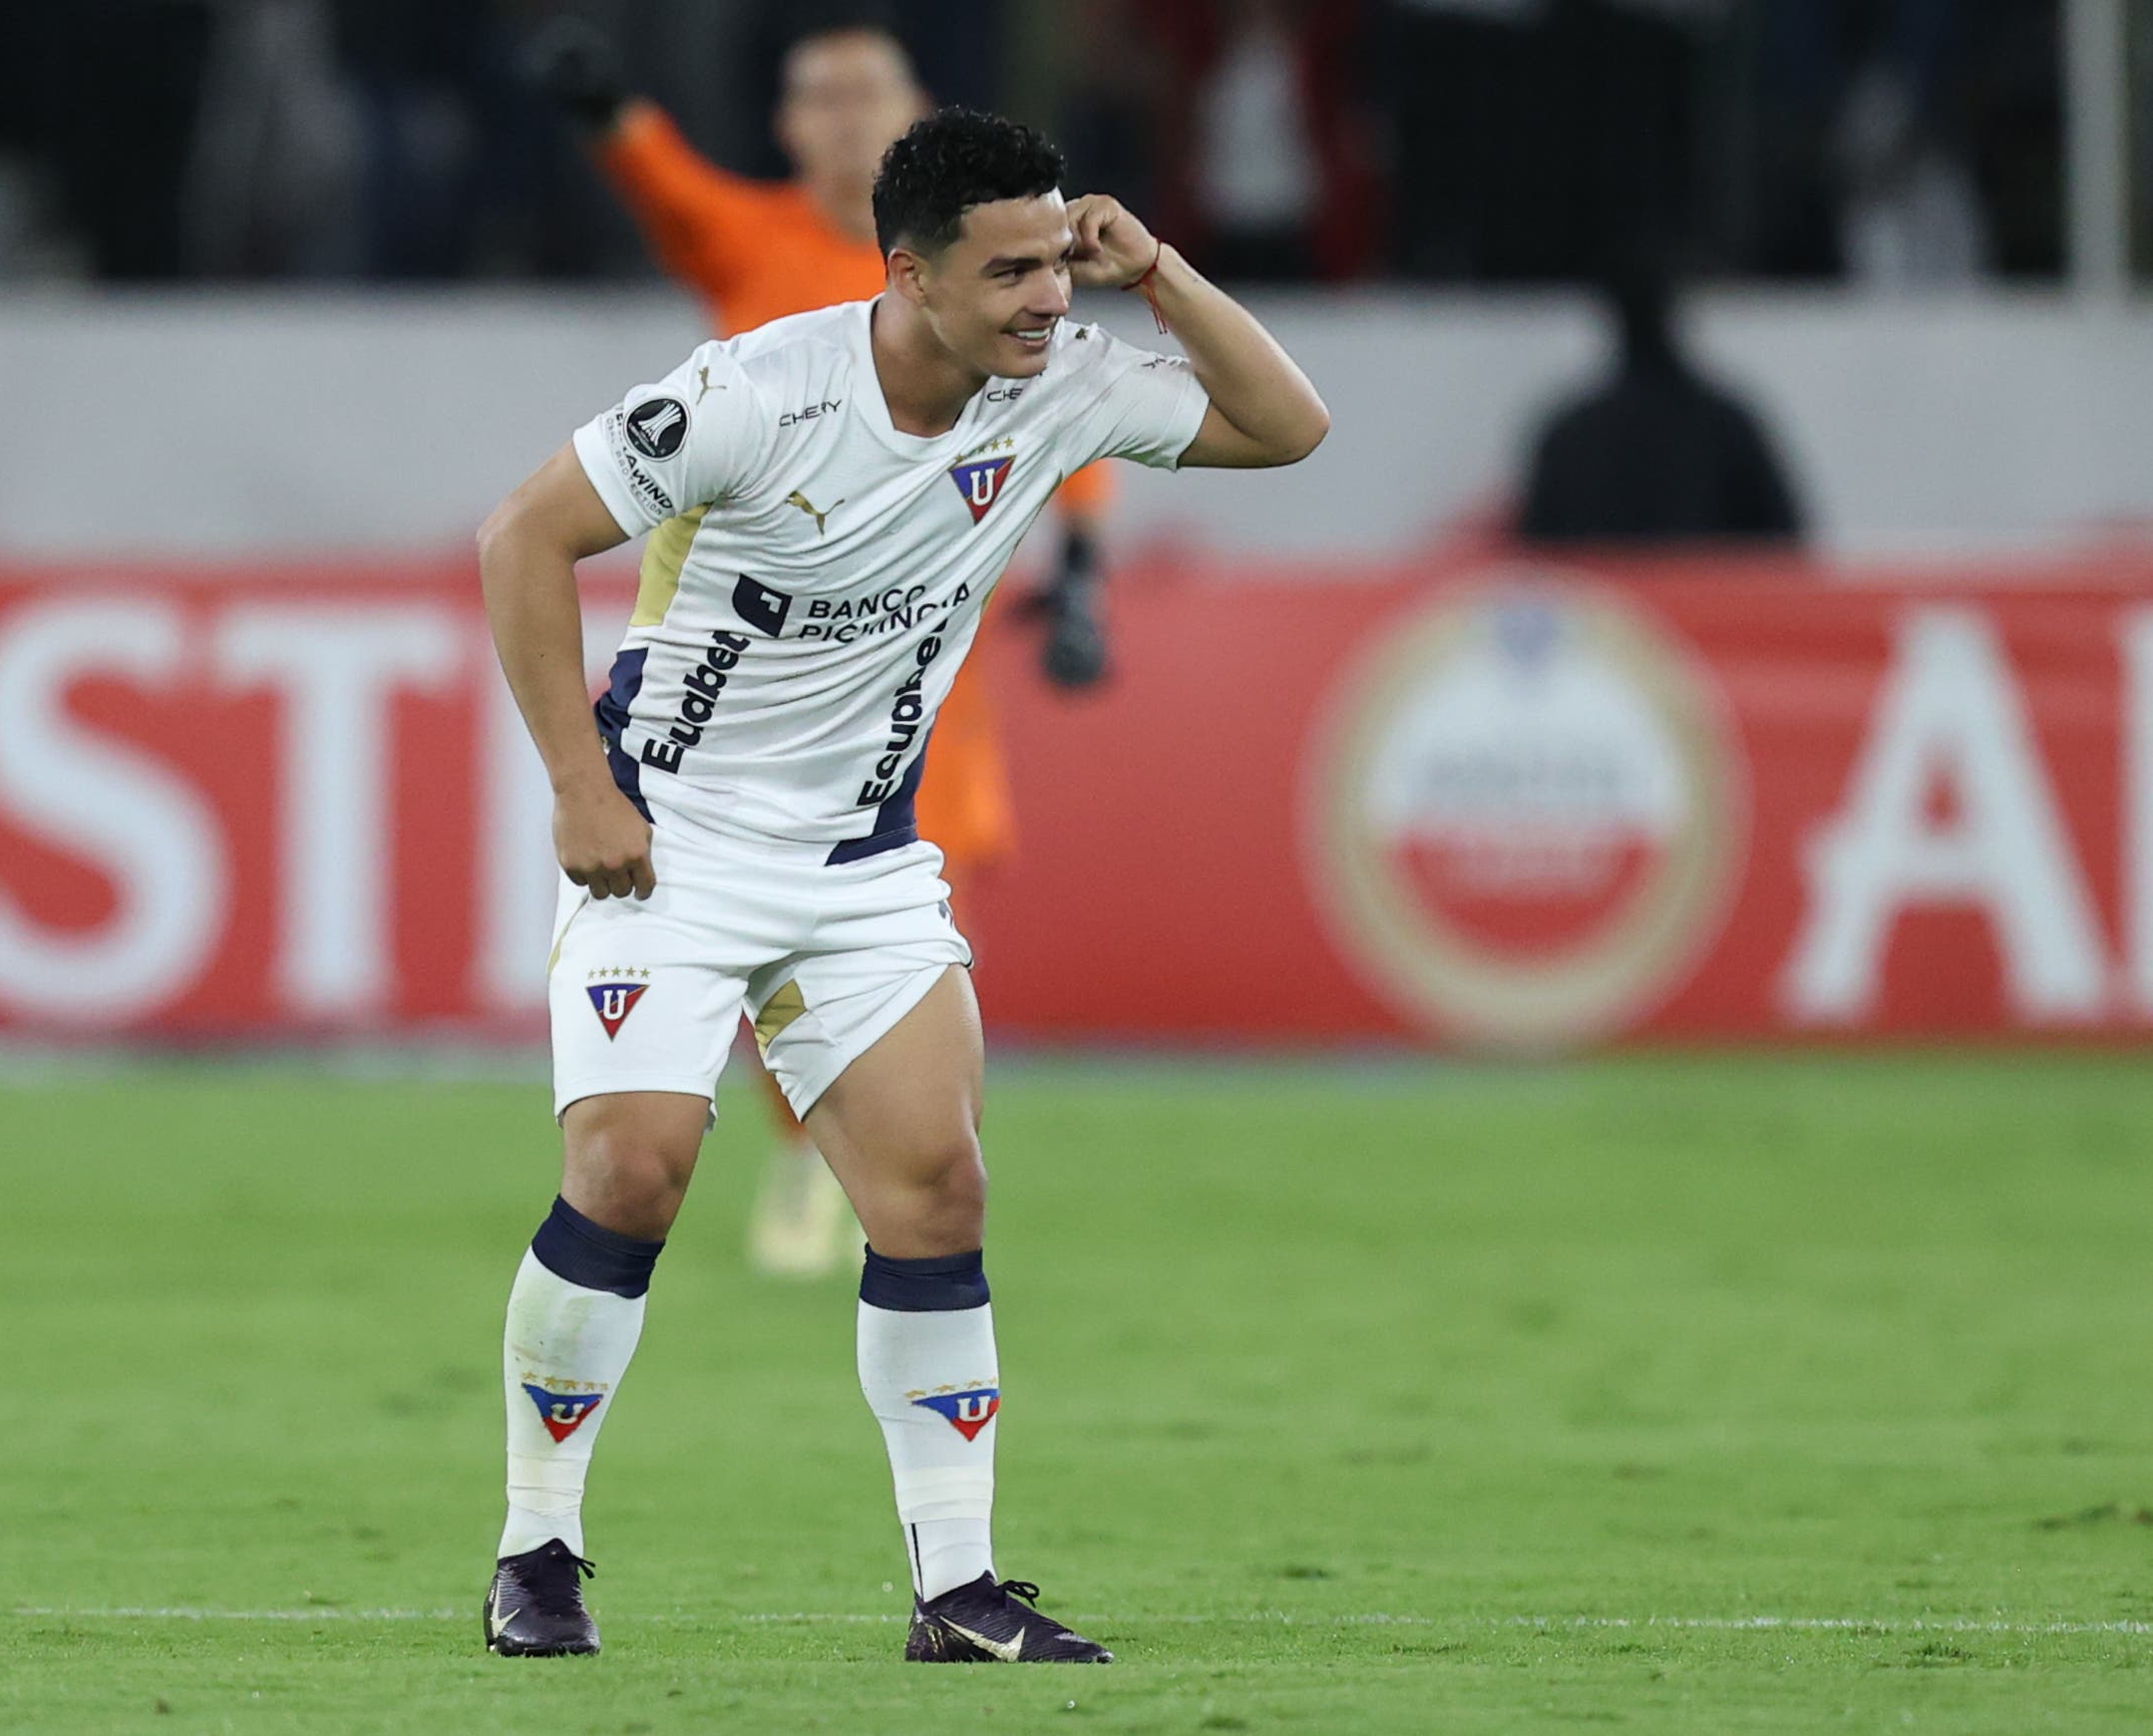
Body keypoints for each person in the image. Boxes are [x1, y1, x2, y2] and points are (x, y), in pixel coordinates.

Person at [473, 106, 1327, 1662]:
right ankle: (537, 1549)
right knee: (633, 1172)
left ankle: (954, 1589)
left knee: (937, 1189)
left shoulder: (1057, 387)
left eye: (1055, 261)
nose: (1044, 301)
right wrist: (578, 790)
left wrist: (1161, 275)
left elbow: (1287, 427)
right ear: (907, 276)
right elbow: (522, 538)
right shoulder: (757, 392)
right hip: (670, 842)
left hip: (862, 862)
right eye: (1007, 271)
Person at [529, 18, 1122, 1277]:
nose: (845, 116)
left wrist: (1082, 575)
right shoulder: (753, 241)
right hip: (744, 656)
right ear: (788, 129)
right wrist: (605, 113)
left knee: (899, 906)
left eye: (869, 94)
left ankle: (873, 1158)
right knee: (735, 916)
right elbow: (664, 184)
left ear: (913, 106)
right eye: (818, 98)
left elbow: (1056, 428)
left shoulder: (1002, 280)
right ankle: (806, 1155)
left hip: (909, 655)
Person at [1519, 257, 1803, 546]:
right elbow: (1785, 541)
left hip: (1603, 590)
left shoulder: (1570, 432)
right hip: (1703, 588)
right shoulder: (1726, 424)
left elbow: (1536, 553)